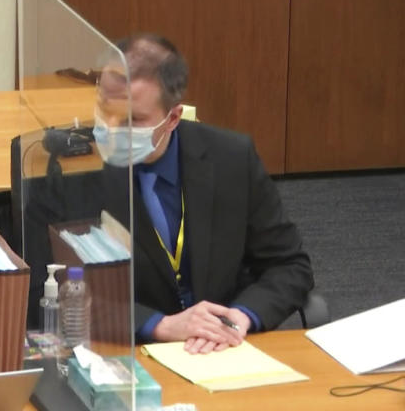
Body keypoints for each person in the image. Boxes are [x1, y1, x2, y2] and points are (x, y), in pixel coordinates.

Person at [89, 34, 314, 354]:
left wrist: (241, 317)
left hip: (223, 350)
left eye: (132, 120)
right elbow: (54, 291)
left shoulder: (232, 158)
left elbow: (290, 265)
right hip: (130, 352)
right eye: (105, 111)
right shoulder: (73, 171)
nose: (111, 129)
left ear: (173, 118)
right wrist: (159, 324)